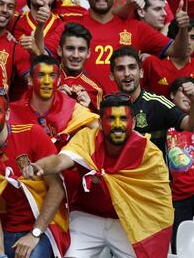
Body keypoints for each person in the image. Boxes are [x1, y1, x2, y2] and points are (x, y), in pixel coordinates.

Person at [23, 93, 174, 257]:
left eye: (123, 119)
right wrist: (40, 166)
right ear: (100, 123)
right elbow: (60, 161)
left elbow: (159, 201)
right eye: (110, 119)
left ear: (134, 123)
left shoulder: (149, 153)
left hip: (126, 222)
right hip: (87, 218)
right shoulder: (87, 140)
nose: (117, 125)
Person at [0, 88, 69, 257]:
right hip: (8, 230)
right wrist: (0, 254)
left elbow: (58, 188)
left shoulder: (32, 133)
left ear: (7, 114)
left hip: (45, 227)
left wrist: (34, 234)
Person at [45, 0, 191, 94]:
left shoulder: (137, 28)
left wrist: (183, 28)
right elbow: (43, 54)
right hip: (81, 114)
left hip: (122, 117)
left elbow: (179, 52)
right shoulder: (70, 26)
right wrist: (39, 29)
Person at [110, 46, 194, 153]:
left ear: (141, 73)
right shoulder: (108, 105)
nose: (127, 74)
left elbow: (193, 126)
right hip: (120, 168)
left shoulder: (158, 103)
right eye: (120, 69)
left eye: (132, 67)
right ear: (112, 76)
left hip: (154, 169)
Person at [10, 55, 98, 151]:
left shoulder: (72, 109)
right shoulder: (13, 112)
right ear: (30, 80)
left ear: (59, 80)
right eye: (41, 75)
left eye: (52, 76)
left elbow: (100, 131)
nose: (47, 81)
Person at [166, 77, 194, 254]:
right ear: (172, 95)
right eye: (184, 91)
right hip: (177, 196)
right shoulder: (164, 123)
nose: (189, 95)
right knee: (177, 246)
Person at [0, 0, 32, 100]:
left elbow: (34, 82)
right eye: (0, 4)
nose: (5, 10)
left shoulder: (16, 48)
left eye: (10, 7)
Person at [142, 18, 194, 98]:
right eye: (184, 37)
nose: (188, 42)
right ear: (172, 39)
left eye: (193, 38)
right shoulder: (151, 63)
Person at [57, 22, 103, 112]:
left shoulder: (95, 90)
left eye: (81, 49)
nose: (75, 55)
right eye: (70, 48)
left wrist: (89, 109)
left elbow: (101, 124)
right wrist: (54, 98)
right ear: (59, 51)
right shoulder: (45, 79)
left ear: (88, 53)